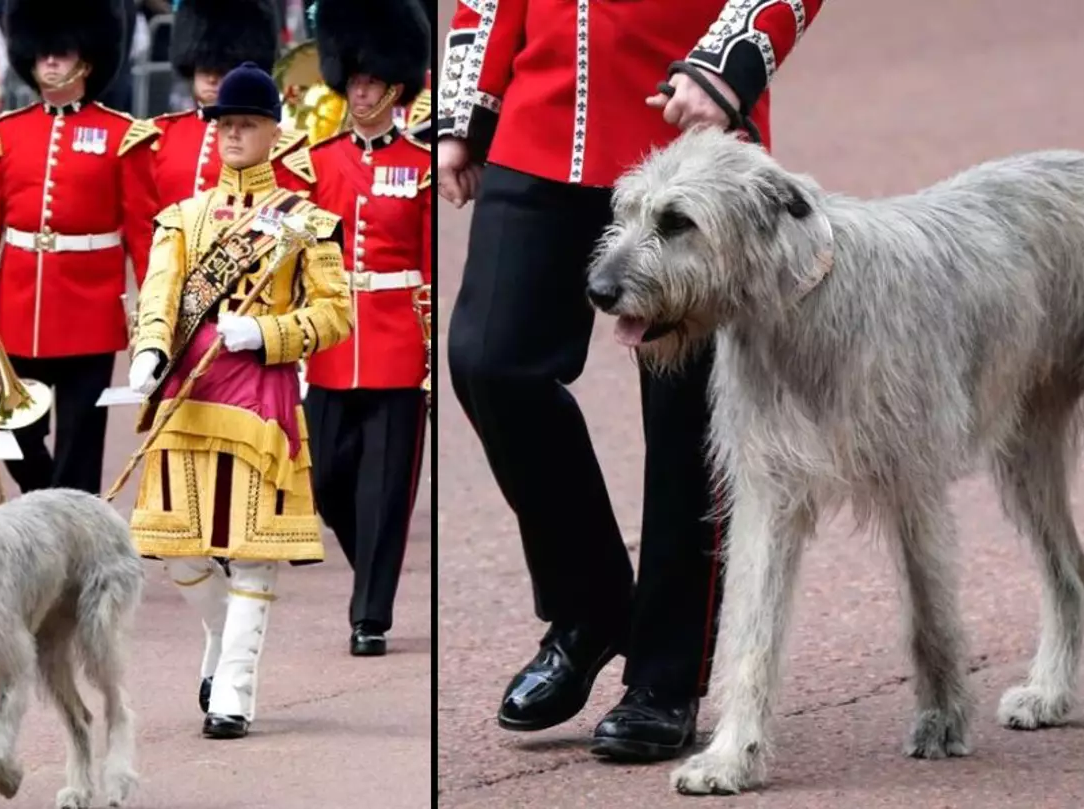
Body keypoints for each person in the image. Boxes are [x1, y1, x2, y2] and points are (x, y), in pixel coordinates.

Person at [437, 0, 824, 763]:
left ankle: (667, 673)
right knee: (490, 361)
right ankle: (592, 606)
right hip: (540, 114)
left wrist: (728, 68)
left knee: (689, 425)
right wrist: (465, 106)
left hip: (685, 118)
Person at [123, 61, 351, 740]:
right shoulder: (184, 218)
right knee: (179, 548)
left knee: (252, 553)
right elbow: (160, 297)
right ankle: (222, 643)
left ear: (272, 134)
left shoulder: (304, 222)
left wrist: (268, 330)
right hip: (187, 397)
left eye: (245, 125)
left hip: (260, 396)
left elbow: (336, 315)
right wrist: (150, 352)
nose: (230, 135)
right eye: (223, 124)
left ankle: (235, 692)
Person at [290, 0, 430, 657]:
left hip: (399, 343)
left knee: (386, 490)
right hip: (330, 341)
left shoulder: (420, 166)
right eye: (355, 80)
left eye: (373, 82)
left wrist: (428, 352)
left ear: (396, 88)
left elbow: (427, 264)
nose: (361, 90)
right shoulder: (318, 162)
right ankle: (370, 569)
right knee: (320, 481)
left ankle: (371, 612)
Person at [0, 0, 160, 495]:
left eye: (60, 54)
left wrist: (155, 310)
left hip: (90, 311)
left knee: (80, 443)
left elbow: (142, 234)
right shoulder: (5, 133)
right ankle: (60, 510)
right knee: (12, 432)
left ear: (85, 60)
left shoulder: (121, 136)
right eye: (41, 54)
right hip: (20, 308)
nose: (48, 63)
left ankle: (70, 536)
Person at [152, 0, 309, 207]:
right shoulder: (162, 134)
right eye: (205, 69)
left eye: (223, 70)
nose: (212, 79)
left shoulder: (276, 142)